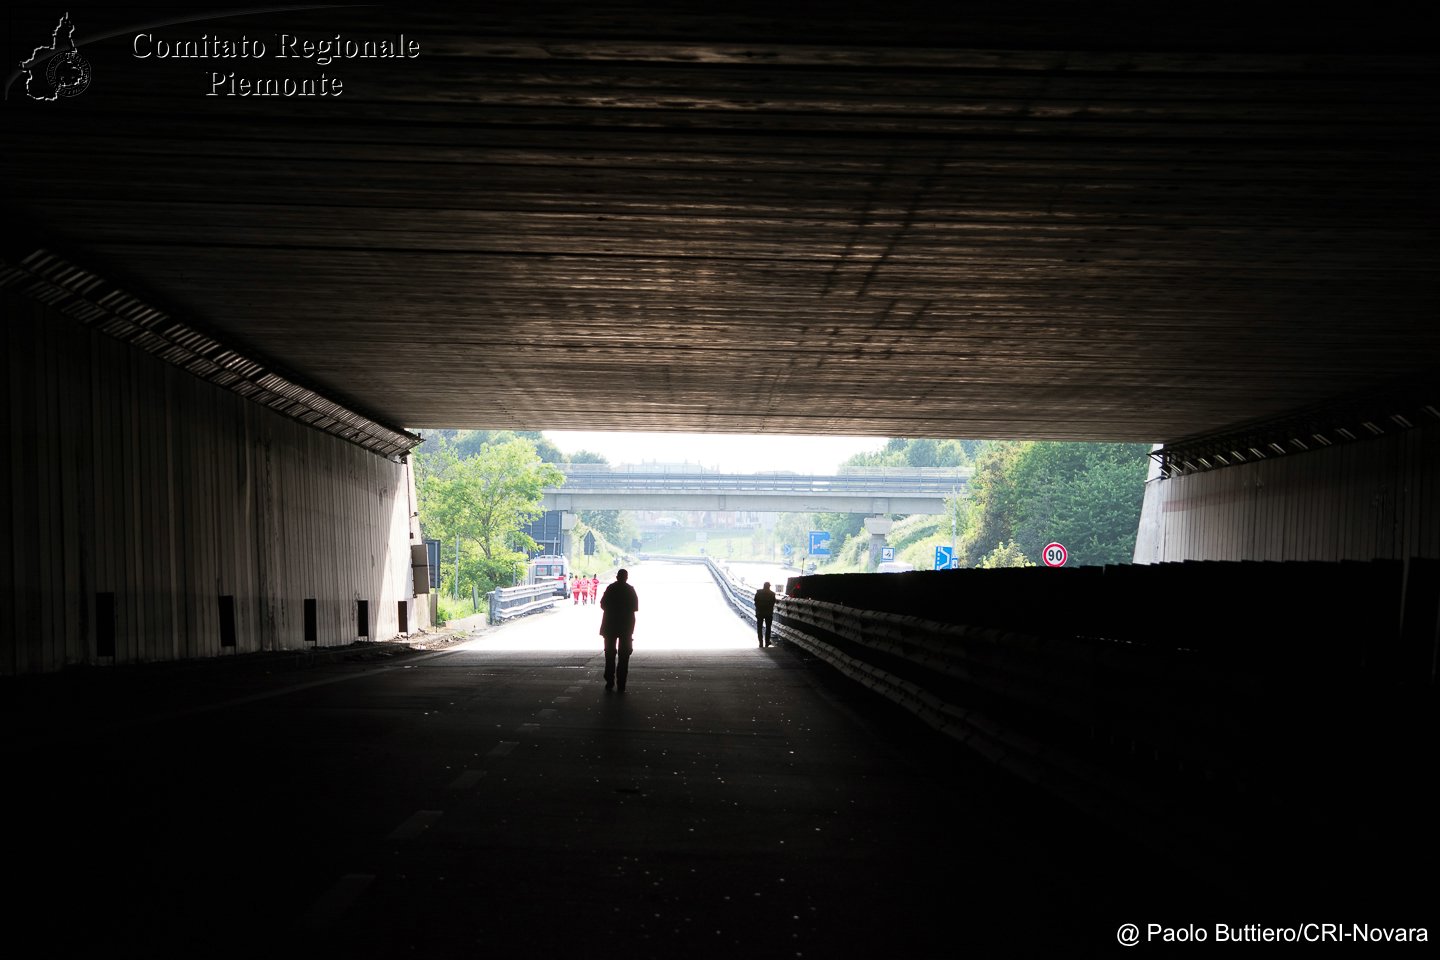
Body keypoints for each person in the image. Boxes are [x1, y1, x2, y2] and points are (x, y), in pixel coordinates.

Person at [598, 569, 639, 691]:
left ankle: (609, 680)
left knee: (609, 654)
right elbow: (635, 608)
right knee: (624, 656)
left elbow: (603, 604)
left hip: (610, 626)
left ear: (616, 577)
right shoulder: (630, 590)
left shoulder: (611, 588)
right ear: (626, 577)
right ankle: (621, 683)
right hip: (626, 627)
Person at [754, 581, 777, 647]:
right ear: (769, 586)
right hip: (768, 613)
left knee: (759, 628)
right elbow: (773, 603)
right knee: (768, 628)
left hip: (760, 613)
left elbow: (755, 601)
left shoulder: (758, 592)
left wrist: (758, 609)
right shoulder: (772, 594)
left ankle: (760, 642)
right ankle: (767, 642)